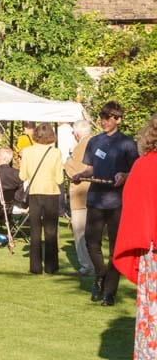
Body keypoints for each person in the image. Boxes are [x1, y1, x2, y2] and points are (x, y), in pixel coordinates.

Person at [72, 101, 139, 306]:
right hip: (95, 199)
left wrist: (124, 175)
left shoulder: (127, 143)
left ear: (118, 119)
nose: (104, 121)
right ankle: (100, 275)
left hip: (117, 202)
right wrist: (81, 175)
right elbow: (91, 168)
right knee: (91, 243)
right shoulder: (94, 141)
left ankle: (110, 292)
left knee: (115, 248)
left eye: (108, 118)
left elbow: (136, 172)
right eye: (102, 118)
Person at [113, 112, 157, 358]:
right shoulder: (144, 165)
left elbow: (133, 207)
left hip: (152, 251)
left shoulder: (144, 165)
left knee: (152, 316)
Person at [19, 122, 64, 275]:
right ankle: (51, 266)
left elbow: (22, 175)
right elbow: (59, 178)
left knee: (35, 230)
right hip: (51, 192)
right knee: (51, 230)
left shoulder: (27, 152)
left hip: (34, 192)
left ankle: (35, 267)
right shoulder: (56, 153)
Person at [65, 119, 96, 275]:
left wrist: (67, 161)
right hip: (96, 194)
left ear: (76, 133)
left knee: (80, 232)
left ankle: (87, 265)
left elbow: (76, 172)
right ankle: (95, 264)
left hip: (81, 194)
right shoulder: (97, 141)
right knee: (93, 233)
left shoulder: (80, 147)